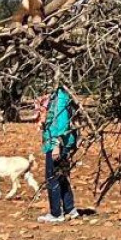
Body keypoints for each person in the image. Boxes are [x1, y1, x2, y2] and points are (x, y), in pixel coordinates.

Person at [37, 84, 78, 223]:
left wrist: (55, 145)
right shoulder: (58, 96)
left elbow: (61, 124)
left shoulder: (60, 98)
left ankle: (56, 213)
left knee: (52, 177)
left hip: (58, 144)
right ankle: (70, 209)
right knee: (61, 176)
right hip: (62, 143)